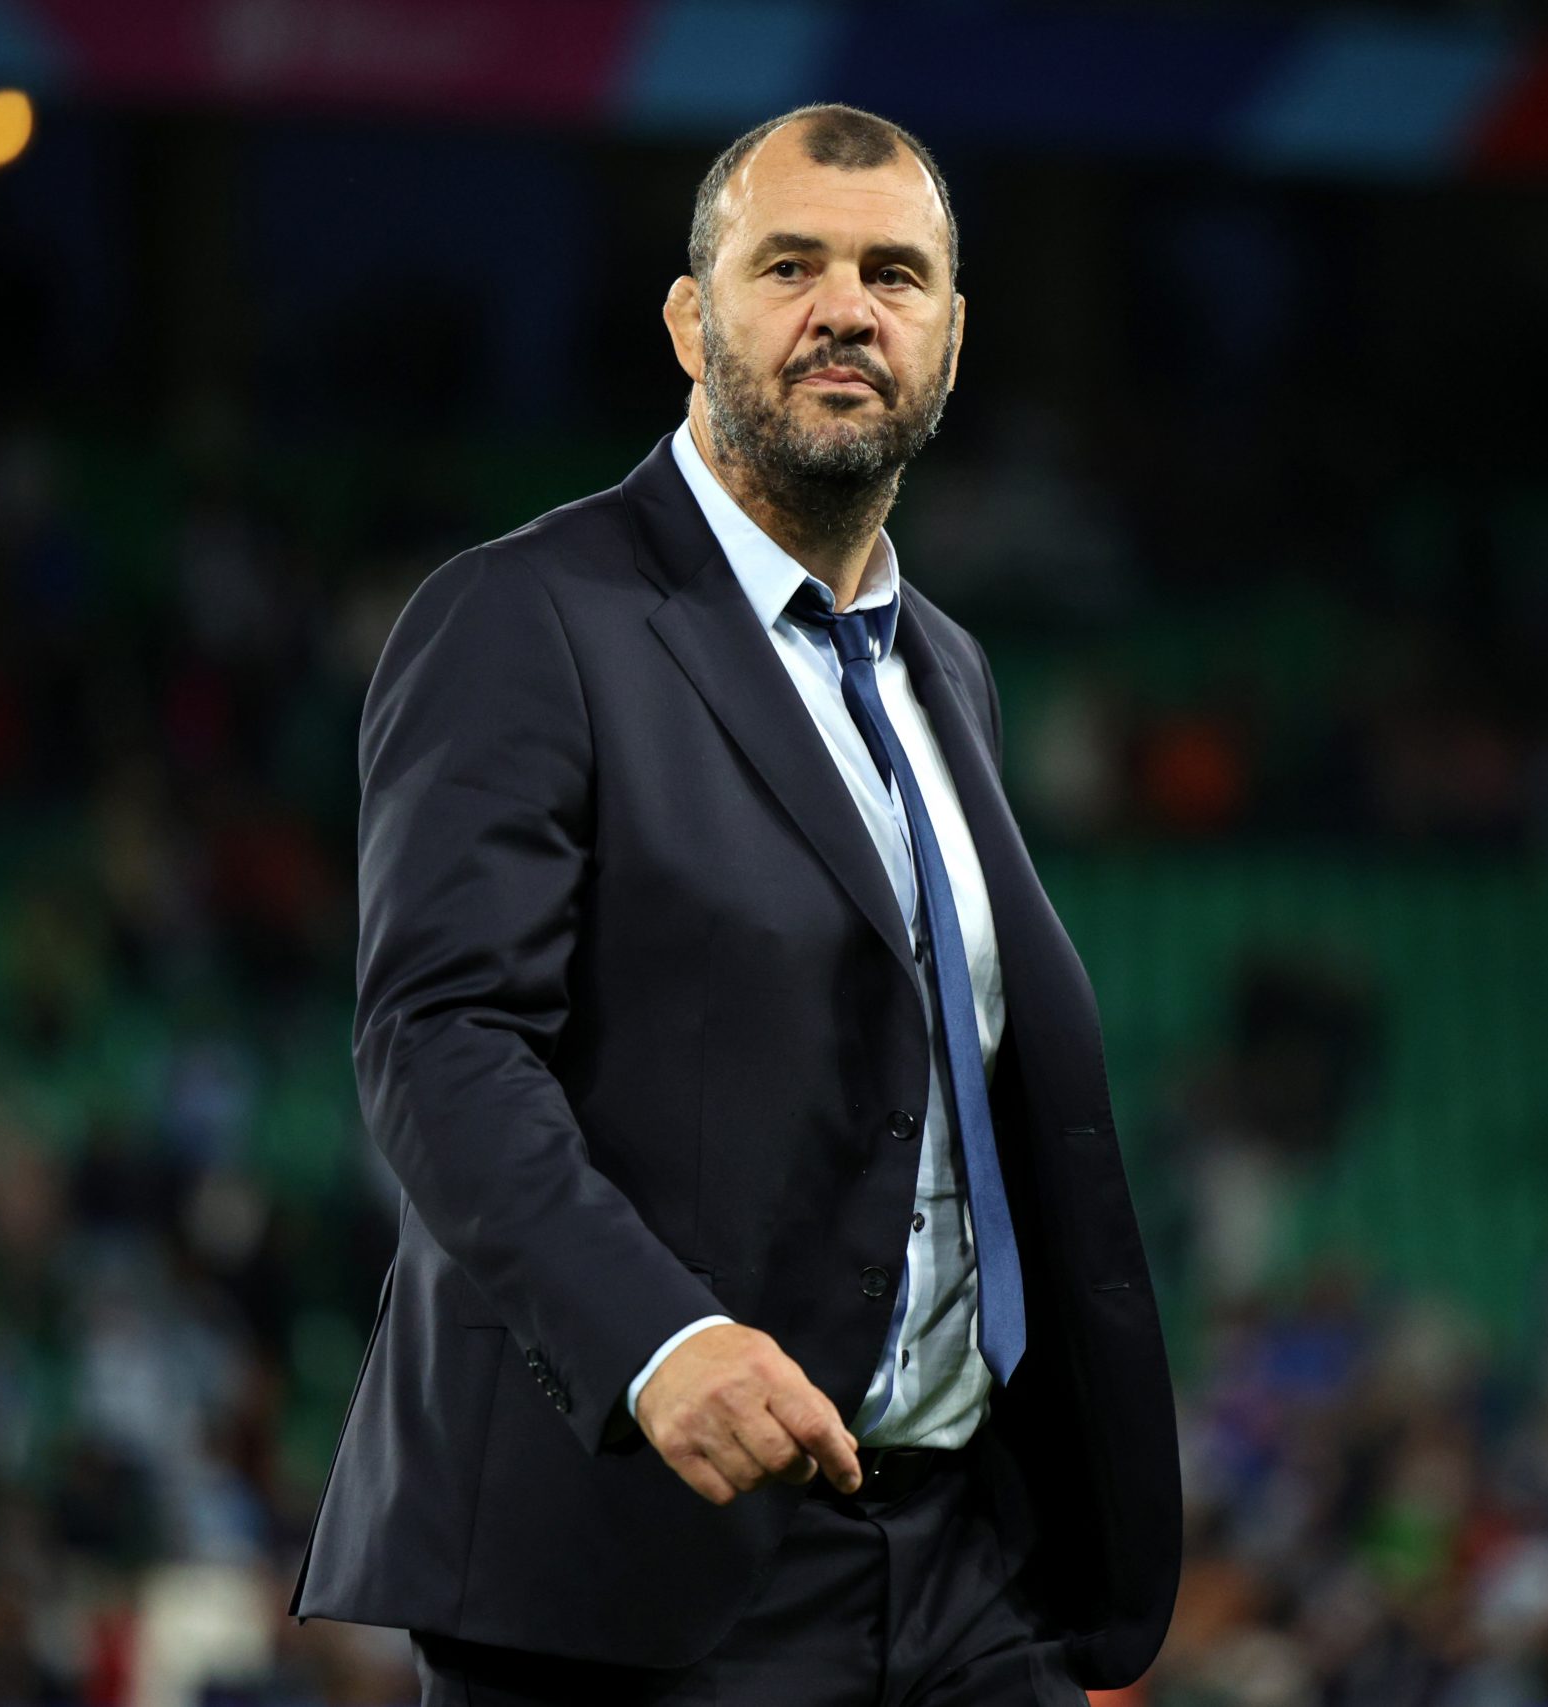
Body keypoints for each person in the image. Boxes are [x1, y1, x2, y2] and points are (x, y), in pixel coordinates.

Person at [288, 102, 1179, 1705]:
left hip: (950, 1559)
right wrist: (656, 1343)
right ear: (692, 320)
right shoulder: (524, 619)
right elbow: (442, 1042)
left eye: (895, 273)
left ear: (954, 339)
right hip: (642, 1574)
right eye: (792, 265)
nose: (849, 306)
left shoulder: (945, 669)